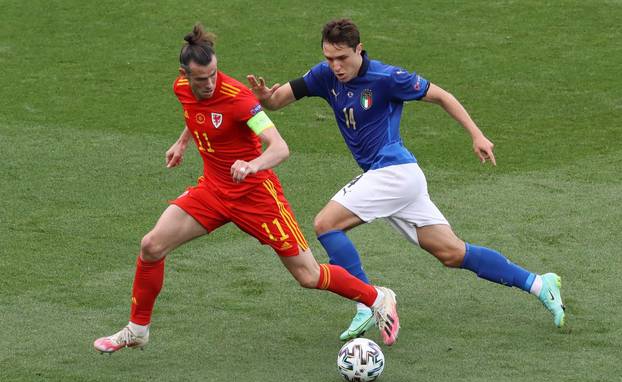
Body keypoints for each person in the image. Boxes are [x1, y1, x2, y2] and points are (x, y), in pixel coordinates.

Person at [247, 18, 565, 341]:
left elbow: (442, 96)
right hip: (391, 178)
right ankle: (540, 284)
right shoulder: (323, 76)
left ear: (359, 49)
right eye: (329, 58)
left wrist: (477, 135)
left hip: (393, 172)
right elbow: (277, 101)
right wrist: (264, 98)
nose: (336, 66)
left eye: (342, 58)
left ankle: (368, 301)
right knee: (452, 253)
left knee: (326, 224)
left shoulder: (387, 78)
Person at [93, 24, 401, 354]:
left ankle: (376, 297)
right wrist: (183, 142)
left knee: (308, 276)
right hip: (213, 191)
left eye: (213, 74)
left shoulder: (238, 98)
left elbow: (279, 147)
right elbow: (196, 111)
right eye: (201, 79)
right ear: (186, 75)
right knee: (151, 245)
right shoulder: (183, 88)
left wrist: (253, 165)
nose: (210, 83)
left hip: (256, 196)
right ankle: (138, 330)